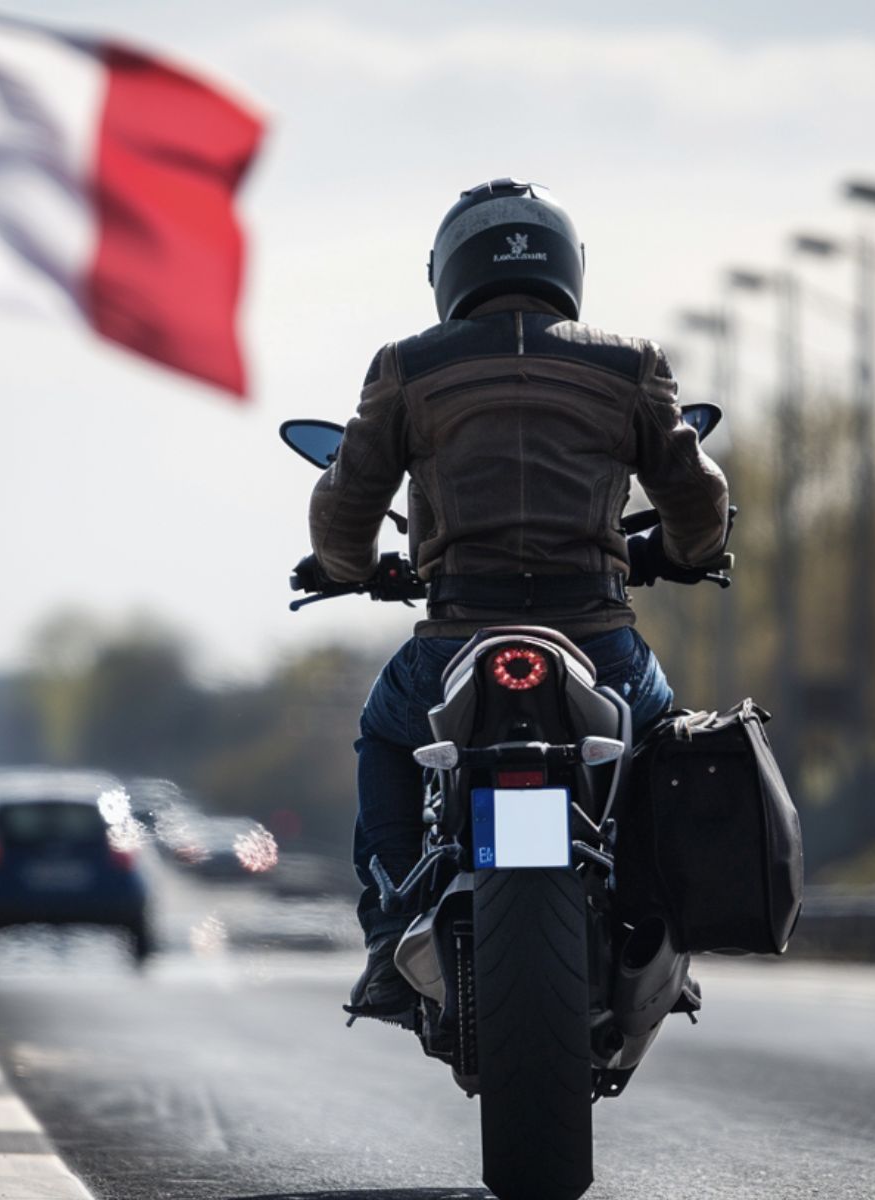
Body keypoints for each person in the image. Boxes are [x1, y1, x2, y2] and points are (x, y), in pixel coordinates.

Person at [293, 178, 731, 1024]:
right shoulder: (630, 362)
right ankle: (657, 930)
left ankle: (390, 939)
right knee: (664, 740)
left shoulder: (406, 367)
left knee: (386, 736)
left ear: (450, 272)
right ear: (568, 266)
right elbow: (695, 493)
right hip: (598, 638)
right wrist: (689, 555)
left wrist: (345, 565)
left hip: (455, 638)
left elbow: (346, 500)